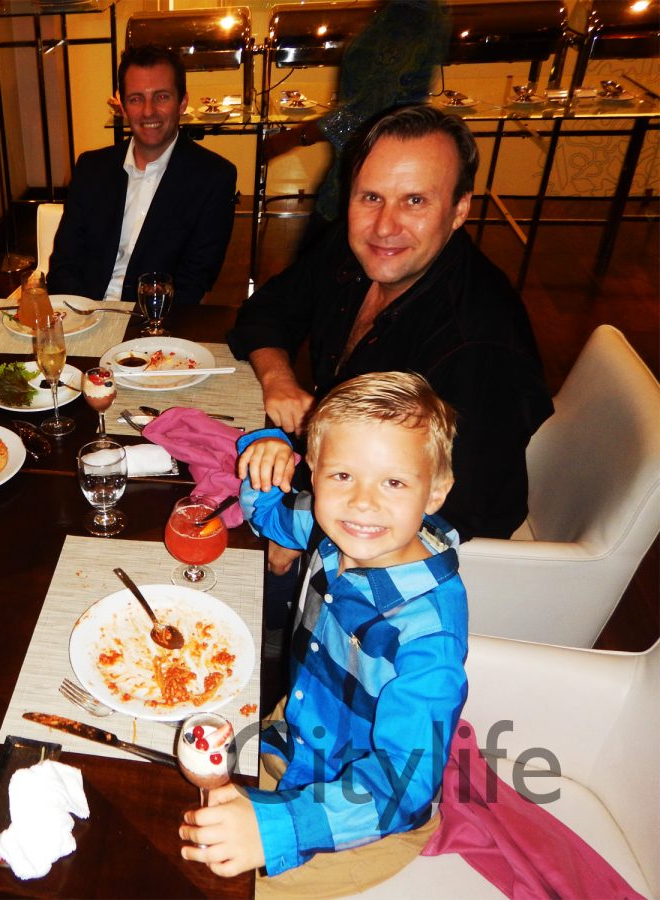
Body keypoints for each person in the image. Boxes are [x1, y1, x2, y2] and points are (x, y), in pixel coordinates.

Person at [227, 105, 552, 683]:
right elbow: (265, 312)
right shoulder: (357, 249)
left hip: (410, 569)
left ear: (459, 211)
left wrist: (310, 531)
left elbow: (457, 507)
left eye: (415, 200)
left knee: (233, 576)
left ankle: (272, 671)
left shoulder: (477, 346)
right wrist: (279, 379)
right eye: (371, 197)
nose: (384, 226)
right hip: (341, 476)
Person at [180, 371, 467, 889]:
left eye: (394, 482)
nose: (362, 502)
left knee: (212, 880)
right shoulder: (331, 525)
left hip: (364, 814)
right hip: (295, 735)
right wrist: (266, 451)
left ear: (436, 491)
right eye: (342, 476)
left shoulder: (429, 636)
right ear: (314, 472)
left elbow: (405, 784)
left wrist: (278, 828)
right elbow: (267, 515)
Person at [46, 45, 237, 307]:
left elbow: (194, 281)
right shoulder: (91, 167)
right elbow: (64, 262)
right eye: (136, 99)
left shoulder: (213, 178)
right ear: (123, 107)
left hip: (155, 319)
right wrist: (85, 316)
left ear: (182, 103)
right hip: (84, 313)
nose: (148, 112)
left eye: (161, 97)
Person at [261, 0, 451, 250]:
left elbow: (368, 109)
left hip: (374, 156)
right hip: (380, 153)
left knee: (329, 252)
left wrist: (295, 137)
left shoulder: (408, 18)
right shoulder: (403, 11)